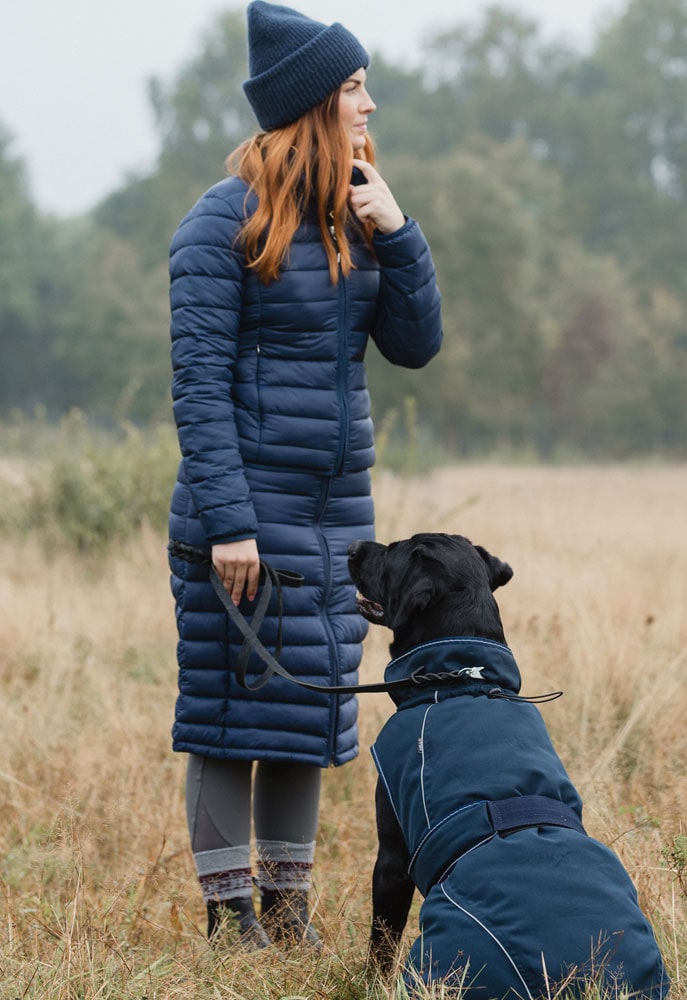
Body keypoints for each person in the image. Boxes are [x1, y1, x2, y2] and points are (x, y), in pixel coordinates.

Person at [166, 0, 443, 950]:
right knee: (228, 710)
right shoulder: (219, 224)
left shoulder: (359, 215)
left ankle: (287, 913)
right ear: (313, 103)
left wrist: (401, 234)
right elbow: (198, 389)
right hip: (239, 514)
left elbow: (416, 346)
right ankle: (229, 919)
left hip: (336, 521)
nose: (371, 106)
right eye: (356, 89)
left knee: (305, 709)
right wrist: (228, 524)